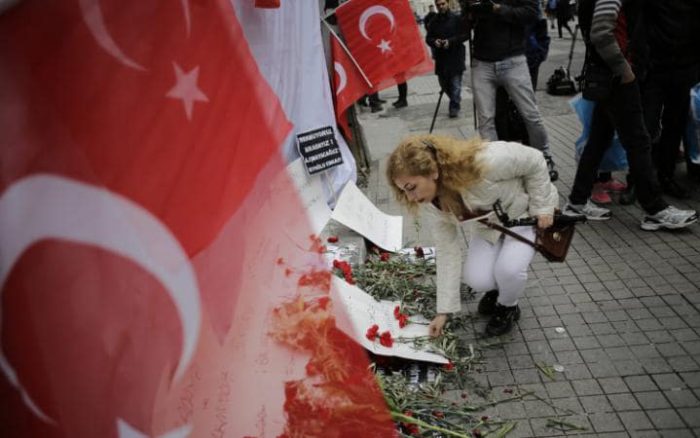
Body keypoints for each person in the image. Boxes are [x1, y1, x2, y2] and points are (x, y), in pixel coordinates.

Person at [386, 134, 559, 337]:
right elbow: (447, 250)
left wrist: (543, 207)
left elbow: (535, 159)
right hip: (489, 227)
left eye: (411, 188)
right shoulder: (430, 202)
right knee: (476, 280)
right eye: (403, 191)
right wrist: (443, 311)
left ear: (432, 171)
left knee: (509, 270)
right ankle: (497, 290)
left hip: (523, 214)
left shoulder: (484, 161)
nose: (410, 198)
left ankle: (508, 307)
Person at [563, 0, 698, 231]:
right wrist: (625, 71)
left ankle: (577, 201)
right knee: (638, 142)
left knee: (599, 140)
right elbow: (601, 32)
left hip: (610, 77)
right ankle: (655, 208)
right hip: (617, 79)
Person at [466, 0, 557, 179]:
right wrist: (468, 11)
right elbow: (464, 26)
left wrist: (497, 8)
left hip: (513, 59)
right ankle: (494, 164)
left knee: (530, 115)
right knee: (486, 119)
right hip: (482, 62)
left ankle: (543, 156)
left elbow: (531, 13)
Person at [641, 0, 700, 199]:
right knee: (646, 128)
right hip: (655, 70)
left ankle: (665, 177)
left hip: (683, 69)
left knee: (673, 127)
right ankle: (639, 181)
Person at [425, 0, 469, 118]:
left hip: (455, 57)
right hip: (441, 59)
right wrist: (435, 42)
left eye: (443, 4)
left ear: (447, 4)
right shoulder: (434, 21)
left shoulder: (457, 19)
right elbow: (428, 38)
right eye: (438, 5)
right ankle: (455, 100)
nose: (441, 7)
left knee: (455, 85)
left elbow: (465, 35)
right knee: (444, 85)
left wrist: (450, 41)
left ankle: (454, 107)